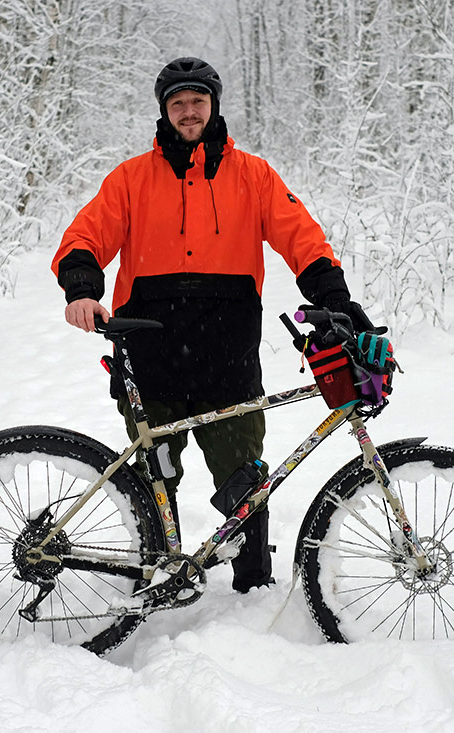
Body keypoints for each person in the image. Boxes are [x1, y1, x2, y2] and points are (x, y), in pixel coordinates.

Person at [51, 57, 381, 593]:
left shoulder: (253, 176)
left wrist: (335, 299)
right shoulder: (131, 179)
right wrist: (82, 289)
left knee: (244, 475)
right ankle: (153, 577)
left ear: (214, 106)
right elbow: (85, 236)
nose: (188, 112)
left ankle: (254, 586)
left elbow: (302, 239)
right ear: (164, 110)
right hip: (149, 348)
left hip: (226, 353)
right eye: (177, 103)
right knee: (153, 476)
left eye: (197, 101)